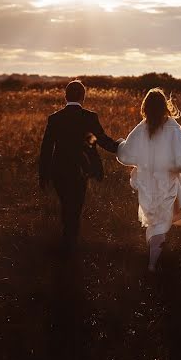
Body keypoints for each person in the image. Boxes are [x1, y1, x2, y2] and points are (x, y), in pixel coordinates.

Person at [39, 79, 121, 253]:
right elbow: (102, 140)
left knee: (66, 205)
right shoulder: (90, 117)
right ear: (83, 96)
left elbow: (46, 149)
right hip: (80, 171)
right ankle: (70, 243)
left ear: (65, 96)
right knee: (75, 207)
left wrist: (44, 175)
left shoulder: (54, 118)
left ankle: (67, 240)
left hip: (58, 170)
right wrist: (120, 147)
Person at [117, 88, 181, 272]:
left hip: (146, 183)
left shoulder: (141, 128)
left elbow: (126, 155)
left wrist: (119, 145)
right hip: (166, 182)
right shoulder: (174, 129)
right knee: (160, 222)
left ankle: (153, 258)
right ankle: (152, 263)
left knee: (153, 221)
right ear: (164, 106)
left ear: (146, 107)